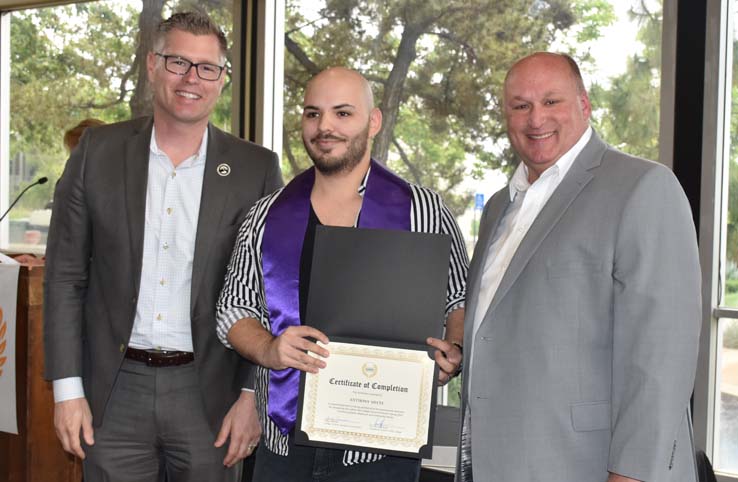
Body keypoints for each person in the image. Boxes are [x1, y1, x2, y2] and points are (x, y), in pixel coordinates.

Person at [43, 11, 283, 482]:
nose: (191, 78)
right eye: (178, 62)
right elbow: (66, 278)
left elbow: (271, 294)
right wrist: (66, 391)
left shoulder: (256, 169)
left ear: (222, 80)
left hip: (211, 396)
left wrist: (253, 397)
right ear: (153, 64)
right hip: (113, 392)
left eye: (206, 67)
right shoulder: (97, 152)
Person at [216, 66, 468, 482]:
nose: (324, 127)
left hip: (383, 449)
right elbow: (232, 309)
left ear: (374, 121)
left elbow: (457, 299)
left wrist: (452, 350)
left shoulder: (423, 210)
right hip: (284, 443)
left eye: (342, 113)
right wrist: (269, 349)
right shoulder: (265, 215)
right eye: (313, 114)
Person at [459, 51, 701, 482]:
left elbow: (662, 355)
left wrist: (633, 474)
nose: (536, 119)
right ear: (506, 115)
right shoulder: (499, 206)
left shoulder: (644, 187)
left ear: (584, 104)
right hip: (496, 464)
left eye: (552, 102)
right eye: (521, 106)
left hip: (588, 467)